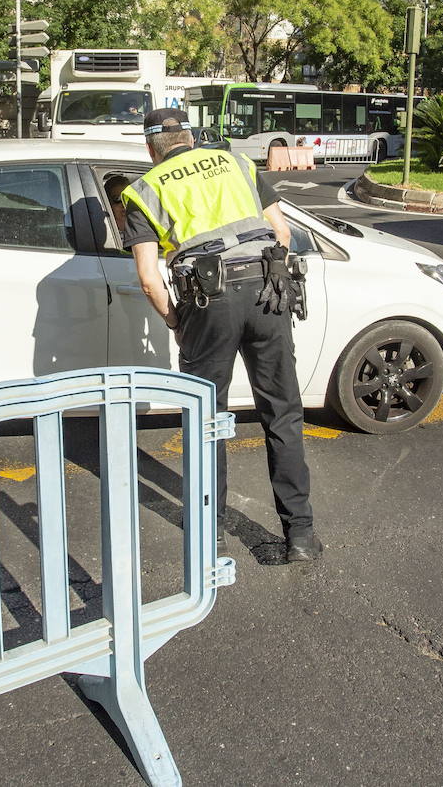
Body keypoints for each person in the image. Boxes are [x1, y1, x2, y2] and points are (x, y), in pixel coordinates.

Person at [119, 108, 322, 562]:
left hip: (207, 303)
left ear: (151, 147)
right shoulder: (237, 163)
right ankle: (302, 536)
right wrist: (268, 279)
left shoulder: (145, 190)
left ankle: (210, 536)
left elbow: (150, 278)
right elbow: (282, 233)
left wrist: (175, 322)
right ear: (190, 137)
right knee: (282, 414)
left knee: (209, 421)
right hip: (269, 294)